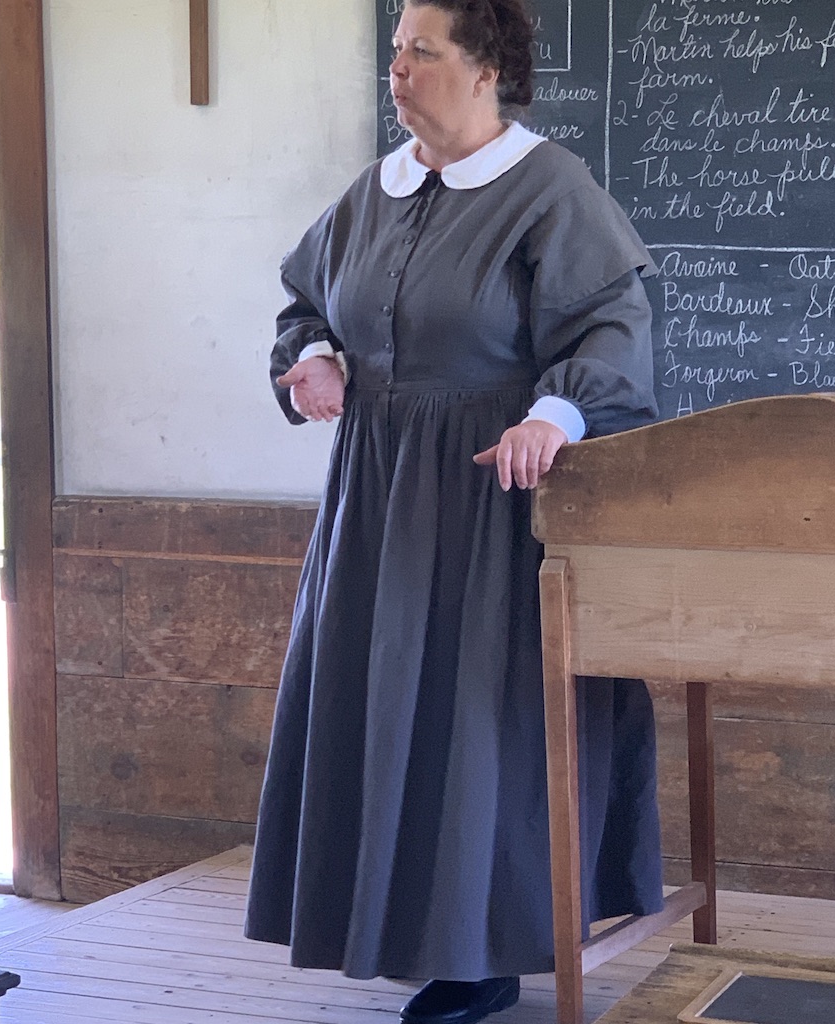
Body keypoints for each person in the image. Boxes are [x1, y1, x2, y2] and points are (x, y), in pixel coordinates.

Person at [245, 1, 664, 1022]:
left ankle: (480, 955)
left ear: (486, 70)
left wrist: (553, 416)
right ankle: (392, 927)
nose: (397, 70)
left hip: (493, 502)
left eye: (420, 53)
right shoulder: (373, 192)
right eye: (395, 51)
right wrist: (312, 358)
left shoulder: (550, 190)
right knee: (383, 704)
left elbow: (612, 330)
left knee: (477, 722)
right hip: (375, 496)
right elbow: (307, 302)